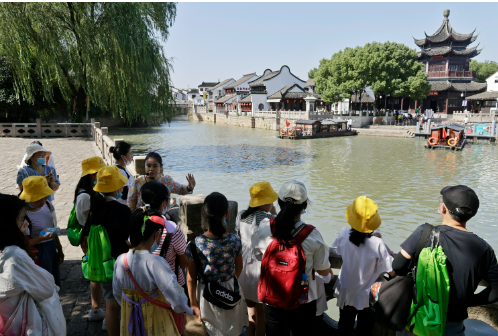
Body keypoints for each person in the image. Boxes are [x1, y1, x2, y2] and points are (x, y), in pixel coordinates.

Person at [394, 186, 498, 336]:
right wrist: (468, 301)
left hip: (419, 320)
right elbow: (496, 291)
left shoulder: (425, 233)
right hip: (453, 327)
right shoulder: (484, 249)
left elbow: (397, 265)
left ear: (443, 208)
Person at [252, 180, 332, 336]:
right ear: (305, 206)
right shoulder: (313, 235)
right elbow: (323, 271)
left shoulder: (264, 227)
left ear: (279, 203)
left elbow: (259, 255)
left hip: (272, 296)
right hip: (303, 300)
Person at [112, 208, 192, 336]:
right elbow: (176, 297)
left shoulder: (121, 261)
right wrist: (187, 308)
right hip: (156, 320)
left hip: (130, 319)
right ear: (157, 235)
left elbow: (117, 294)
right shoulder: (156, 262)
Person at [0, 193, 66, 336]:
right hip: (23, 325)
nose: (27, 223)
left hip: (7, 321)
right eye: (22, 219)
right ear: (7, 225)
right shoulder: (15, 256)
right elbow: (47, 288)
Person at [185, 192, 247, 336]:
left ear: (203, 213)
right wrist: (228, 280)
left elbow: (190, 278)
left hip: (205, 292)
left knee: (210, 330)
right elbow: (239, 268)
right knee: (232, 329)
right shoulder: (235, 240)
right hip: (230, 290)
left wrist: (193, 304)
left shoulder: (195, 244)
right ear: (227, 213)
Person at [81, 165, 132, 335]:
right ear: (117, 188)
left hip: (104, 264)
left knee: (109, 301)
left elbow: (86, 235)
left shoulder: (95, 210)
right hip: (121, 263)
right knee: (124, 303)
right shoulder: (123, 211)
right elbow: (129, 239)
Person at [332, 196, 394, 336]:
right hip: (368, 295)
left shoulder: (343, 234)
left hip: (347, 289)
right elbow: (390, 269)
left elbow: (341, 251)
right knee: (365, 329)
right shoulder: (377, 244)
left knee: (344, 325)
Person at [236, 182, 278, 336]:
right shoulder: (271, 220)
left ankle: (249, 333)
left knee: (250, 308)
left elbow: (240, 239)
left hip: (243, 267)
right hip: (260, 267)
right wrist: (273, 211)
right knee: (262, 312)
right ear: (267, 202)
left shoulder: (241, 215)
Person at [75, 156, 107, 322]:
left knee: (96, 273)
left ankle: (97, 309)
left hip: (91, 238)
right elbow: (92, 221)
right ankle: (97, 309)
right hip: (93, 239)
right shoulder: (86, 197)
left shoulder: (87, 193)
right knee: (98, 273)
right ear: (92, 175)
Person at [142, 181, 188, 290]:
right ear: (164, 203)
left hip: (143, 284)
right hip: (171, 285)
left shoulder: (135, 223)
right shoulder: (172, 229)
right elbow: (184, 260)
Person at [20, 176, 64, 287]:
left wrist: (59, 247)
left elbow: (52, 225)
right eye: (38, 199)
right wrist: (39, 238)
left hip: (51, 246)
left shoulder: (47, 205)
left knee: (54, 281)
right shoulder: (23, 216)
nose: (42, 201)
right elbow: (25, 243)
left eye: (44, 197)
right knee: (44, 283)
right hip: (37, 252)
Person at [127, 152, 196, 210]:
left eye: (155, 166)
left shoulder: (167, 180)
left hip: (163, 220)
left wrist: (190, 187)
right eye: (148, 166)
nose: (151, 169)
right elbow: (130, 205)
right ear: (144, 166)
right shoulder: (137, 182)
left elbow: (181, 189)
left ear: (161, 167)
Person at [110, 141, 134, 205]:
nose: (132, 156)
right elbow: (124, 195)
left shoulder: (115, 167)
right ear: (123, 157)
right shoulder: (121, 172)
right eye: (130, 153)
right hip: (123, 205)